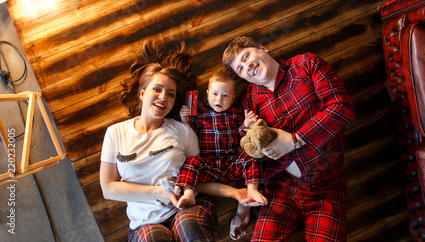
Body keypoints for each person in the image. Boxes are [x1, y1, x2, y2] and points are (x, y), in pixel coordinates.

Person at [222, 36, 356, 241]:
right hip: (281, 188)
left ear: (263, 48)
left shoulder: (306, 65)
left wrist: (296, 139)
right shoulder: (249, 100)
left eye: (246, 56)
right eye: (240, 69)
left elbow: (342, 109)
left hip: (327, 186)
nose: (247, 66)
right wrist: (243, 208)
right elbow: (249, 153)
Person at [100, 41, 218, 242]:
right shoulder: (115, 133)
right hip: (144, 222)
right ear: (142, 93)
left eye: (170, 94)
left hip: (186, 208)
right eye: (157, 89)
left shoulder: (182, 131)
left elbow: (196, 170)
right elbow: (108, 188)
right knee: (153, 238)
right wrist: (157, 193)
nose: (163, 97)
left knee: (188, 228)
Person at [176, 69, 267, 240]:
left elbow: (241, 134)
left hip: (231, 163)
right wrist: (185, 121)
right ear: (208, 94)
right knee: (191, 162)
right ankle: (188, 193)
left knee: (251, 156)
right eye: (215, 94)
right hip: (209, 166)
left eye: (225, 96)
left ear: (232, 99)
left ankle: (252, 190)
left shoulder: (235, 113)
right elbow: (190, 134)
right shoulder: (200, 113)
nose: (219, 99)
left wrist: (246, 124)